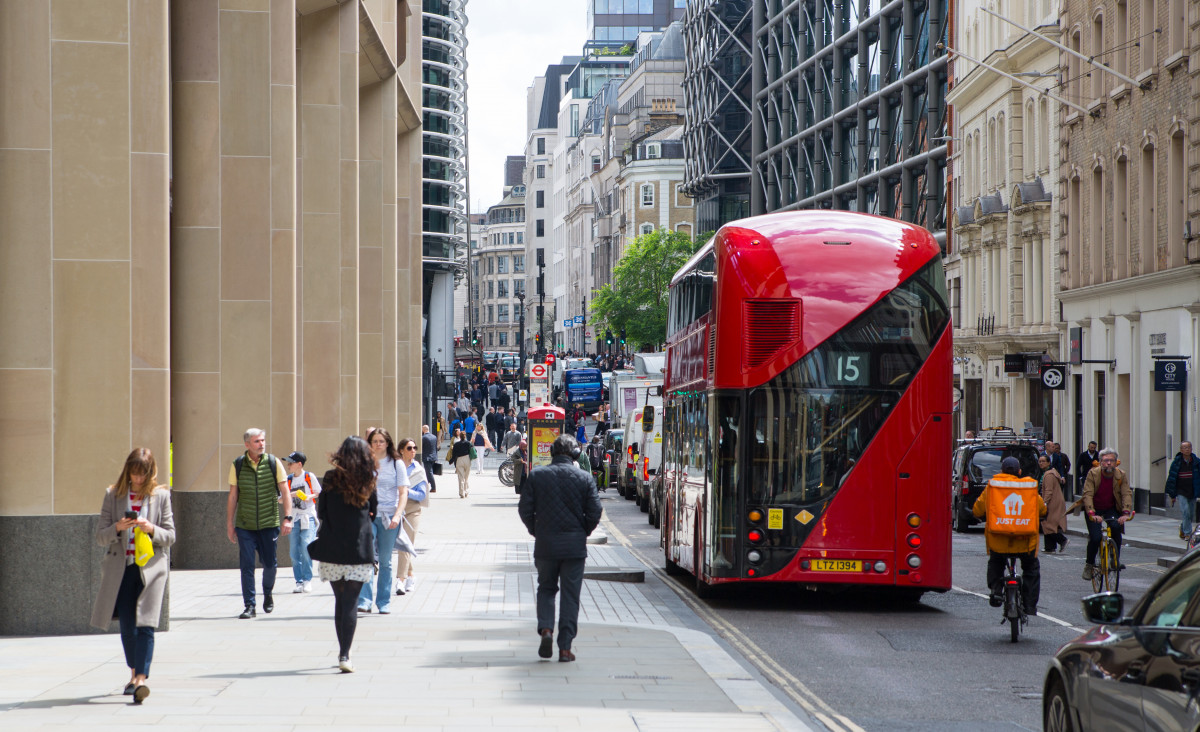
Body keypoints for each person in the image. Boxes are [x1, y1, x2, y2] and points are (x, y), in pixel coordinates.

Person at [90, 448, 176, 704]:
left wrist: (151, 529)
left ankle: (140, 680)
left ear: (150, 472)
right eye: (134, 473)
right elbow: (100, 536)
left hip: (151, 569)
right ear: (128, 471)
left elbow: (170, 536)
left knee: (146, 625)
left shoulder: (161, 496)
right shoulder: (113, 495)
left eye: (143, 474)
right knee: (128, 627)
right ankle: (133, 674)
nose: (138, 479)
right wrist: (118, 527)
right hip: (122, 569)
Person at [518, 435, 603, 662]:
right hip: (574, 547)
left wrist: (536, 530)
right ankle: (565, 649)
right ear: (574, 454)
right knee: (570, 596)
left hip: (546, 544)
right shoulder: (585, 478)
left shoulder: (537, 476)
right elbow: (595, 511)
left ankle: (546, 629)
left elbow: (524, 509)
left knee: (546, 589)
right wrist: (583, 531)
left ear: (552, 452)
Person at [305, 436, 377, 673]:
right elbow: (374, 511)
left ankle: (343, 651)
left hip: (333, 547)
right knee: (351, 602)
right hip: (359, 548)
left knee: (340, 600)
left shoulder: (329, 477)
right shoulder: (369, 479)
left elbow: (322, 511)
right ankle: (345, 654)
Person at [227, 428, 291, 619]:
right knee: (247, 566)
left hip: (268, 523)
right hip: (245, 524)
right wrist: (230, 523)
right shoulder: (238, 464)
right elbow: (233, 496)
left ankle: (268, 592)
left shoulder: (273, 462)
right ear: (247, 444)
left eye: (262, 440)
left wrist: (287, 517)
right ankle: (249, 605)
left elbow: (285, 491)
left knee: (270, 565)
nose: (261, 444)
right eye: (257, 441)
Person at [972, 456, 1046, 615]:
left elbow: (977, 510)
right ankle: (1029, 605)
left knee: (996, 562)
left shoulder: (992, 486)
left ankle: (996, 590)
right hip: (1024, 542)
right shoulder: (1028, 488)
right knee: (1031, 568)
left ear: (1001, 471)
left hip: (998, 541)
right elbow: (1042, 509)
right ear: (1019, 472)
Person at [358, 427, 408, 614]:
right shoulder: (365, 463)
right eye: (374, 441)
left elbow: (403, 492)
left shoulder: (396, 463)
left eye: (381, 441)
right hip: (368, 516)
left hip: (389, 517)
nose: (378, 444)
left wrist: (397, 515)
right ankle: (364, 601)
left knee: (385, 561)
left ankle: (383, 602)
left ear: (388, 443)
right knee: (366, 558)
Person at [1081, 448, 1134, 580]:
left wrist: (1125, 513)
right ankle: (1089, 565)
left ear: (1116, 462)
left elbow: (1126, 493)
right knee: (1095, 538)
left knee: (1116, 528)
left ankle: (1114, 559)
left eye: (1111, 460)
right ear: (1100, 462)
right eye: (1105, 461)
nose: (1109, 463)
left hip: (1110, 508)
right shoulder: (1093, 474)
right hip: (1094, 509)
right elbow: (1087, 494)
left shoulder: (1121, 475)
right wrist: (1092, 513)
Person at [394, 438, 430, 596]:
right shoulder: (395, 467)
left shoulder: (418, 470)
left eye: (415, 447)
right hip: (395, 509)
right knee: (403, 545)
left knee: (406, 544)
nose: (413, 450)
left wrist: (406, 491)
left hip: (412, 509)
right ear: (401, 450)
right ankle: (411, 576)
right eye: (409, 448)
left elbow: (422, 494)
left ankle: (400, 580)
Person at [285, 451, 322, 593]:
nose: (288, 465)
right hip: (293, 517)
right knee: (293, 551)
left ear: (299, 464)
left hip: (308, 516)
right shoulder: (288, 479)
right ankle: (299, 581)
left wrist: (307, 496)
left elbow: (318, 492)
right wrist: (292, 494)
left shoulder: (309, 476)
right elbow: (280, 498)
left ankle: (307, 580)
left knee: (306, 547)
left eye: (291, 463)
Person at [1166, 441, 1199, 540]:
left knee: (1191, 513)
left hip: (1192, 490)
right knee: (1186, 511)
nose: (1187, 449)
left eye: (1189, 447)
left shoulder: (1196, 462)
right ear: (1181, 450)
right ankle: (1188, 533)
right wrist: (1172, 495)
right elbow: (1172, 478)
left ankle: (1183, 527)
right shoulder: (1177, 463)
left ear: (1191, 449)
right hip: (1181, 491)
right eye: (1185, 448)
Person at [1038, 454, 1068, 554]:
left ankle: (1062, 540)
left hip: (1053, 502)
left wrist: (1044, 503)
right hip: (1055, 501)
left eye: (1043, 461)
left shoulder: (1049, 475)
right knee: (1048, 523)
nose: (1041, 463)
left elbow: (1049, 491)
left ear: (1048, 463)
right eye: (1040, 461)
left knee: (1047, 524)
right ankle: (1049, 547)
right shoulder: (1049, 473)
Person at [452, 429, 473, 497]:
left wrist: (451, 461)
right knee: (466, 477)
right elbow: (473, 450)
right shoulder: (468, 443)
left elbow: (454, 454)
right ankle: (466, 491)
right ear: (465, 436)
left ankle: (461, 493)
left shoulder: (456, 444)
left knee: (461, 477)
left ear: (460, 437)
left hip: (459, 459)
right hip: (467, 459)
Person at [421, 424, 439, 494]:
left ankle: (433, 487)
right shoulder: (434, 437)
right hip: (433, 457)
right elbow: (435, 447)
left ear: (423, 430)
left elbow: (422, 447)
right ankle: (426, 485)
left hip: (427, 457)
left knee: (429, 472)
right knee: (429, 472)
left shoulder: (423, 438)